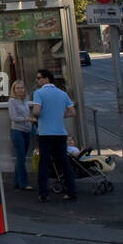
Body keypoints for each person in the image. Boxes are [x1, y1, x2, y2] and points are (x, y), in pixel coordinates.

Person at [31, 69, 76, 202]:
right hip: (61, 133)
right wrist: (59, 115)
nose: (37, 80)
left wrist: (35, 116)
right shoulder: (62, 93)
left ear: (46, 79)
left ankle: (43, 193)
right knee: (64, 162)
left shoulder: (38, 93)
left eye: (39, 78)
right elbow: (72, 112)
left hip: (45, 133)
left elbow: (37, 111)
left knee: (44, 163)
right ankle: (71, 191)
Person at [7, 82, 33, 190]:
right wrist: (27, 119)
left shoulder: (25, 100)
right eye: (17, 88)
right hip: (17, 131)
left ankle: (17, 182)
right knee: (21, 158)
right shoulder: (12, 101)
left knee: (20, 158)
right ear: (13, 90)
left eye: (22, 87)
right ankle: (24, 183)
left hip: (27, 130)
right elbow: (13, 117)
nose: (20, 90)